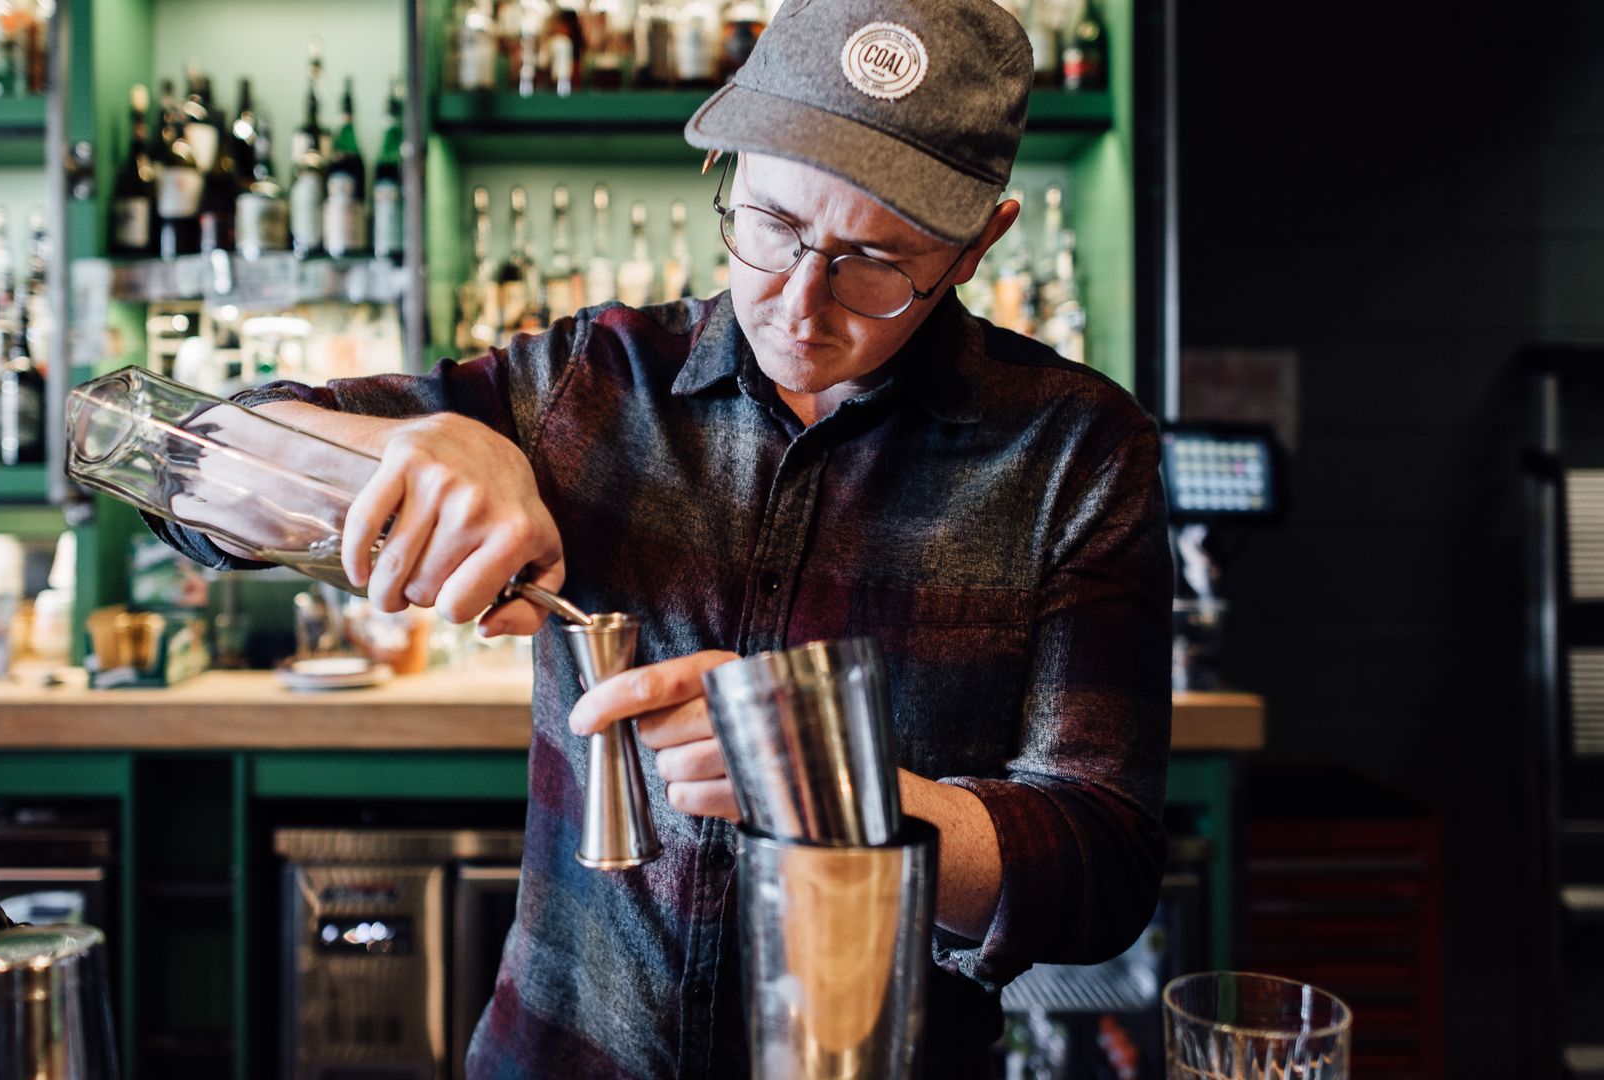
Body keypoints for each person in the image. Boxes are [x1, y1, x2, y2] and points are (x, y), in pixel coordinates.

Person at [154, 0, 1172, 1074]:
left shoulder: (1077, 452)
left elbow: (1102, 869)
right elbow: (180, 465)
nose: (799, 302)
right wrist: (413, 452)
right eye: (771, 223)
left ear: (979, 245)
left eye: (875, 261)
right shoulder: (585, 385)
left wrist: (837, 786)